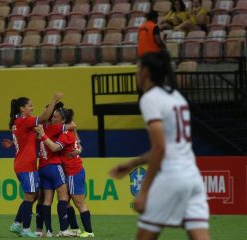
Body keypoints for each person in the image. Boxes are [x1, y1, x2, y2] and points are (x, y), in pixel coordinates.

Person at [109, 50, 210, 240]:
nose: (137, 73)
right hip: (193, 178)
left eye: (138, 69)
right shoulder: (177, 97)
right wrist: (133, 163)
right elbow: (172, 146)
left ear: (145, 72)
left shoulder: (150, 98)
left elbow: (161, 147)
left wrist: (144, 191)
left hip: (171, 177)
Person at [8, 93, 63, 238]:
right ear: (22, 108)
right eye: (30, 105)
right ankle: (25, 229)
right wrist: (54, 100)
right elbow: (44, 118)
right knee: (30, 197)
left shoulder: (17, 122)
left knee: (32, 195)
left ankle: (17, 224)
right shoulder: (24, 121)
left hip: (23, 164)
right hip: (26, 165)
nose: (32, 108)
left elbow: (25, 138)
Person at [35, 108, 94, 238]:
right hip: (67, 171)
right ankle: (75, 229)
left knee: (79, 202)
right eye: (53, 116)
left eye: (55, 117)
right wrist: (78, 149)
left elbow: (56, 147)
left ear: (63, 120)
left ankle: (89, 231)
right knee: (66, 201)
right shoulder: (64, 131)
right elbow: (77, 143)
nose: (52, 119)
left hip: (74, 171)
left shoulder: (65, 133)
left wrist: (43, 135)